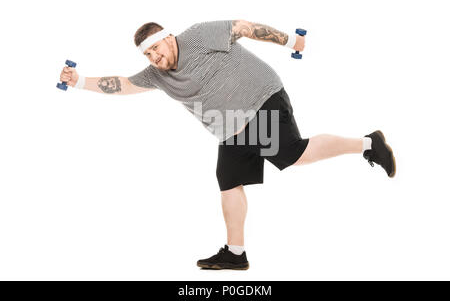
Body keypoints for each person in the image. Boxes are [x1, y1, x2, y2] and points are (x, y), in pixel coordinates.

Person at [59, 20, 396, 270]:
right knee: (229, 182)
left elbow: (244, 27)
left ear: (168, 38)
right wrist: (80, 82)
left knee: (295, 155)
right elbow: (123, 84)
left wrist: (291, 40)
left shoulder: (198, 36)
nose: (154, 56)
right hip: (231, 128)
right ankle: (236, 254)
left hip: (259, 101)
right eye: (147, 53)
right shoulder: (156, 75)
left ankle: (369, 143)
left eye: (156, 48)